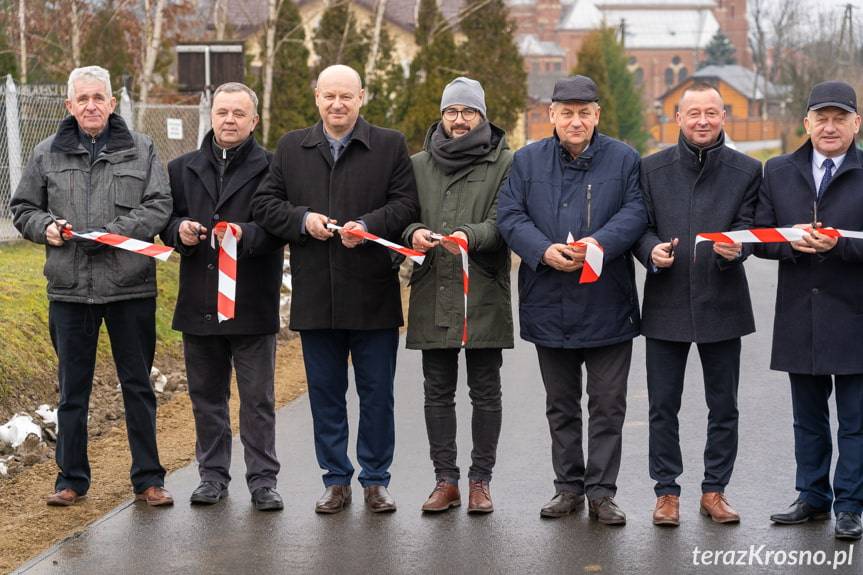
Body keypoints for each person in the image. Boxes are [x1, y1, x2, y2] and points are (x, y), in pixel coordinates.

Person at [252, 64, 419, 514]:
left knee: (377, 395)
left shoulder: (389, 145)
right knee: (325, 395)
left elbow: (406, 204)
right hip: (316, 293)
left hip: (372, 293)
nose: (337, 104)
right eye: (329, 96)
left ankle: (376, 480)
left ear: (362, 97)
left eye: (346, 96)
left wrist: (368, 226)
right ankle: (335, 479)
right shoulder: (291, 147)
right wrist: (301, 219)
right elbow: (265, 204)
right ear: (317, 98)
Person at [10, 65, 173, 507]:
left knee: (137, 386)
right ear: (69, 105)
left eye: (98, 97)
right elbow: (22, 208)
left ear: (112, 103)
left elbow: (160, 205)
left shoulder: (142, 150)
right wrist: (45, 227)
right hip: (70, 290)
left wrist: (115, 232)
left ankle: (149, 479)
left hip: (131, 288)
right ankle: (71, 479)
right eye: (82, 99)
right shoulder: (46, 154)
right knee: (72, 390)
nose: (91, 105)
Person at [497, 75, 646, 524]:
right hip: (549, 298)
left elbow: (636, 210)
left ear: (597, 114)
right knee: (560, 405)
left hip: (608, 300)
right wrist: (543, 250)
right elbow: (509, 214)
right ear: (552, 115)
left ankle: (602, 492)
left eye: (584, 112)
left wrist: (596, 244)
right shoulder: (526, 161)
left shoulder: (623, 159)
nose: (575, 121)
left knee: (607, 404)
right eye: (567, 113)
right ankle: (567, 488)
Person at [634, 83, 761, 527]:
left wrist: (738, 250)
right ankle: (666, 492)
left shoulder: (748, 170)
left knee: (723, 405)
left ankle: (714, 490)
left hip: (723, 302)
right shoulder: (651, 170)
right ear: (678, 119)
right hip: (666, 302)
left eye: (711, 112)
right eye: (694, 114)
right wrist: (651, 251)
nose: (702, 121)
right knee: (662, 405)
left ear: (723, 116)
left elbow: (750, 226)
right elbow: (641, 227)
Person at [160, 83, 285, 511]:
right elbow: (166, 220)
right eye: (222, 112)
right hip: (199, 301)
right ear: (211, 116)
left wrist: (244, 235)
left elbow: (279, 226)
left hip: (251, 302)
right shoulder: (181, 169)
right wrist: (180, 231)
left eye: (238, 113)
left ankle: (263, 480)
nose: (228, 120)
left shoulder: (273, 168)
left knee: (257, 398)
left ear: (254, 121)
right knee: (207, 396)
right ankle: (212, 476)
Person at [756, 81, 863, 541]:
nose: (830, 126)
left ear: (857, 123)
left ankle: (852, 504)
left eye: (840, 118)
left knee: (856, 420)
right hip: (800, 312)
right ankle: (812, 497)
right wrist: (790, 243)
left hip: (855, 313)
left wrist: (840, 244)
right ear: (806, 123)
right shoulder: (778, 170)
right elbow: (759, 236)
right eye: (822, 118)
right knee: (808, 417)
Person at [403, 77, 514, 514]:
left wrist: (471, 234)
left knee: (485, 391)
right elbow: (404, 217)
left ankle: (480, 482)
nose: (460, 120)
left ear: (482, 116)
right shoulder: (417, 164)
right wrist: (415, 233)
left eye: (469, 112)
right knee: (437, 390)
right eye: (452, 111)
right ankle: (444, 480)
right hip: (434, 286)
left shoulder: (505, 163)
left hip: (483, 289)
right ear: (442, 116)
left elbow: (506, 220)